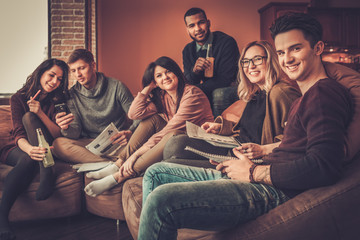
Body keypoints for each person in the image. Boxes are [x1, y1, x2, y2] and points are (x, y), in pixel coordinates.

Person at [137, 12, 354, 239]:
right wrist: (250, 157)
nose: (287, 59)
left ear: (318, 48)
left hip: (270, 188)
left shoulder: (322, 93)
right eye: (281, 52)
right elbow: (290, 144)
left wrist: (253, 171)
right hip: (257, 170)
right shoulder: (303, 97)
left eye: (296, 49)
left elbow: (323, 167)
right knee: (155, 172)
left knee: (161, 201)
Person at [84, 56, 214, 197]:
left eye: (168, 72)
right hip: (178, 139)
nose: (165, 77)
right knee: (152, 119)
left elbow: (170, 129)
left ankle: (118, 177)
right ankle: (118, 163)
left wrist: (136, 154)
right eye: (159, 76)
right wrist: (148, 88)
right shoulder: (164, 97)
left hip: (198, 143)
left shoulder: (192, 94)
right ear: (156, 82)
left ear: (176, 72)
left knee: (172, 133)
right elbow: (134, 114)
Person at [163, 40, 301, 168]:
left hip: (248, 160)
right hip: (234, 147)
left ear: (271, 61)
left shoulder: (281, 92)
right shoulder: (256, 93)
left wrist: (263, 150)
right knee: (176, 144)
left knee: (170, 156)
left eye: (257, 59)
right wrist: (221, 128)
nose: (250, 66)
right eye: (246, 61)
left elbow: (298, 140)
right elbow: (248, 130)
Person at [0, 59, 69, 240]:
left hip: (47, 147)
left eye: (60, 79)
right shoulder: (18, 98)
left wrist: (40, 113)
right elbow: (18, 134)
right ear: (41, 73)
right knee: (28, 151)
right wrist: (31, 150)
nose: (55, 82)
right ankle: (47, 168)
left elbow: (57, 134)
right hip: (19, 148)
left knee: (31, 117)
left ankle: (1, 219)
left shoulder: (58, 100)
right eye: (51, 75)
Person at [52, 49, 139, 164]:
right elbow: (75, 132)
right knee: (58, 144)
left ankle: (104, 162)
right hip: (90, 144)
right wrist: (66, 128)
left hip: (118, 142)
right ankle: (108, 164)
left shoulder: (117, 87)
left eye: (82, 68)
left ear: (93, 66)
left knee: (139, 145)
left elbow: (138, 117)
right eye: (73, 70)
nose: (78, 74)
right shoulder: (72, 95)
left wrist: (129, 132)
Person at [183, 7, 240, 116]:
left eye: (201, 23)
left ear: (208, 23)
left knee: (218, 94)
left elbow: (225, 79)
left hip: (232, 87)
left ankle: (219, 129)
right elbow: (189, 80)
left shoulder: (227, 42)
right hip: (208, 88)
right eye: (192, 26)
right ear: (187, 30)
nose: (197, 29)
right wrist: (195, 72)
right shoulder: (187, 50)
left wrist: (194, 90)